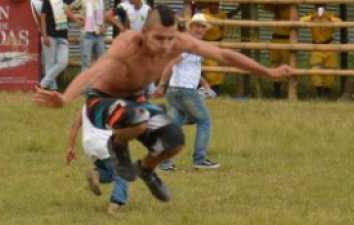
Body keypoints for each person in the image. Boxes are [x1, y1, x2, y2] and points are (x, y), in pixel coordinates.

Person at [33, 5, 294, 203]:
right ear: (145, 33)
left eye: (170, 38)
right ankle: (118, 144)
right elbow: (95, 70)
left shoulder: (179, 42)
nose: (166, 46)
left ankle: (146, 169)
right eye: (159, 38)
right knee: (137, 118)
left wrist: (268, 72)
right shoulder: (128, 43)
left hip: (136, 100)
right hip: (103, 100)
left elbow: (223, 54)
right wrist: (65, 98)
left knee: (175, 140)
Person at [154, 13, 219, 171]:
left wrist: (204, 83)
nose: (201, 29)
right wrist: (161, 84)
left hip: (176, 90)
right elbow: (170, 64)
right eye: (198, 26)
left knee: (174, 126)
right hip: (185, 91)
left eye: (203, 27)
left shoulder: (194, 45)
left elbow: (191, 68)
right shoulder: (186, 44)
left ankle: (164, 162)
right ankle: (199, 159)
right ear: (191, 26)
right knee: (204, 122)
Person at [66, 109, 129, 215]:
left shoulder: (86, 106)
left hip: (89, 146)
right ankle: (114, 206)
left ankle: (97, 175)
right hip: (105, 144)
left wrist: (70, 147)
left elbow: (75, 125)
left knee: (110, 173)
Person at [195, 1, 240, 96]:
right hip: (205, 43)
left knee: (219, 68)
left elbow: (223, 29)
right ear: (208, 5)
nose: (214, 6)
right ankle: (205, 89)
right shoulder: (203, 14)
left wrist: (222, 42)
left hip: (218, 42)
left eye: (216, 4)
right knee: (209, 67)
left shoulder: (222, 15)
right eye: (212, 4)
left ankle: (215, 90)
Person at [300, 3, 341, 99]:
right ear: (314, 8)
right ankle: (319, 92)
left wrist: (328, 17)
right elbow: (300, 21)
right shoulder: (311, 17)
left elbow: (339, 22)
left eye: (322, 7)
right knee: (315, 70)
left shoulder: (330, 16)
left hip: (329, 46)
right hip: (316, 47)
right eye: (318, 7)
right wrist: (312, 17)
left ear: (326, 8)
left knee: (331, 70)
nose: (320, 9)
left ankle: (327, 92)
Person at [38, 0, 82, 90]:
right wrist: (44, 35)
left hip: (63, 37)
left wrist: (79, 20)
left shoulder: (65, 1)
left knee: (63, 62)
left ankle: (42, 84)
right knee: (50, 63)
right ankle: (52, 88)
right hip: (50, 35)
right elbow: (43, 18)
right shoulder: (48, 1)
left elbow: (69, 12)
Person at [264, 2, 292, 98]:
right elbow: (266, 6)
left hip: (287, 39)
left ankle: (288, 90)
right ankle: (276, 90)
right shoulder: (275, 6)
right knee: (275, 63)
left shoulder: (292, 7)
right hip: (275, 38)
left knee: (288, 64)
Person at [72, 0, 108, 70]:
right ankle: (86, 77)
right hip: (87, 35)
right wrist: (77, 20)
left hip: (99, 35)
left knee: (102, 63)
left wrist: (105, 27)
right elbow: (67, 9)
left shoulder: (102, 1)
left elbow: (106, 15)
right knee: (86, 64)